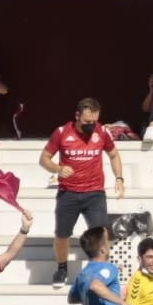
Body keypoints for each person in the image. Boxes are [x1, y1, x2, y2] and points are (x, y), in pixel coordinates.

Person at [38, 97, 125, 288]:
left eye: (94, 122)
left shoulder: (102, 132)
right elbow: (44, 159)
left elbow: (113, 155)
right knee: (62, 234)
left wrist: (119, 178)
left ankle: (103, 269)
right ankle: (62, 268)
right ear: (77, 116)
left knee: (102, 233)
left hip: (94, 192)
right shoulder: (61, 133)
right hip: (68, 193)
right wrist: (58, 169)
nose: (91, 126)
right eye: (87, 122)